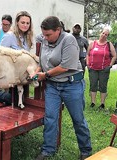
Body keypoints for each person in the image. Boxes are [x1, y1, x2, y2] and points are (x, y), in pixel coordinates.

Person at [33, 16, 92, 160]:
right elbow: (43, 61)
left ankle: (86, 150)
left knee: (78, 119)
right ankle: (48, 150)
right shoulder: (45, 40)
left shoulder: (69, 40)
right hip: (53, 85)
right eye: (44, 34)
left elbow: (65, 67)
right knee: (50, 118)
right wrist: (37, 71)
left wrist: (44, 75)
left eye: (48, 35)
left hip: (71, 85)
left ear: (58, 30)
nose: (45, 38)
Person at [0, 11, 34, 105]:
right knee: (15, 100)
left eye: (28, 23)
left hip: (22, 74)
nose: (25, 25)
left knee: (22, 100)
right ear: (17, 23)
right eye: (22, 22)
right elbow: (0, 54)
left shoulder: (27, 37)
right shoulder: (10, 36)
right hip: (10, 74)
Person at [86, 28, 116, 109]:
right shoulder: (93, 43)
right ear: (100, 33)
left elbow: (114, 56)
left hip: (104, 69)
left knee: (103, 86)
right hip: (93, 69)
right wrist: (87, 64)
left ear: (107, 36)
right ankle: (93, 102)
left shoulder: (109, 44)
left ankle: (102, 104)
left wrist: (110, 65)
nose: (104, 35)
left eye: (106, 34)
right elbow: (88, 54)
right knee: (93, 85)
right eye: (103, 33)